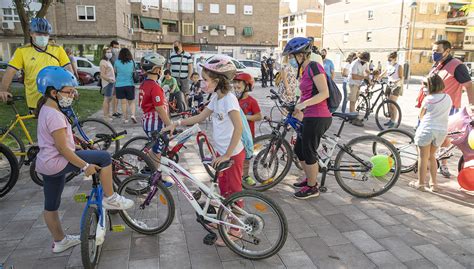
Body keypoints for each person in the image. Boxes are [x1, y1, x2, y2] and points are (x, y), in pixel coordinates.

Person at [34, 66, 133, 253]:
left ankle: (60, 241)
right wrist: (85, 165)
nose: (72, 95)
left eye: (73, 91)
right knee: (104, 157)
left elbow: (58, 142)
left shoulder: (45, 110)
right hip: (58, 161)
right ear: (53, 92)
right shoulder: (55, 115)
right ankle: (110, 198)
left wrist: (76, 147)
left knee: (51, 205)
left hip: (46, 164)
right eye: (69, 92)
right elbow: (63, 149)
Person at [162, 56, 244, 246]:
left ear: (217, 81)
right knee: (224, 191)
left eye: (205, 79)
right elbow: (200, 117)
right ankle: (227, 220)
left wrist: (227, 155)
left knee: (234, 191)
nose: (202, 82)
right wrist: (176, 123)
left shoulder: (229, 100)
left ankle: (236, 229)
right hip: (222, 153)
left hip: (232, 154)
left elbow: (238, 128)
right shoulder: (217, 97)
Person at [283, 37, 332, 199]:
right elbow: (306, 95)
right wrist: (296, 107)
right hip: (309, 116)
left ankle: (313, 187)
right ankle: (309, 179)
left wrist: (303, 106)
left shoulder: (315, 67)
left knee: (309, 151)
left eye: (292, 56)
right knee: (299, 149)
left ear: (302, 55)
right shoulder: (305, 71)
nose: (290, 59)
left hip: (319, 116)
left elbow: (324, 93)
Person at [0, 18, 73, 109]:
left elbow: (68, 70)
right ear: (31, 33)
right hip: (35, 101)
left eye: (45, 34)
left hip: (58, 98)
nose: (42, 36)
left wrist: (72, 88)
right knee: (41, 123)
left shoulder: (57, 49)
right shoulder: (22, 51)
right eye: (39, 34)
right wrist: (3, 90)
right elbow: (10, 71)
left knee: (60, 123)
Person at [429, 40, 474, 178]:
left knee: (444, 137)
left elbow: (469, 85)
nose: (434, 53)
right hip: (433, 106)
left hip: (447, 107)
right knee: (430, 137)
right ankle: (428, 161)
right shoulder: (438, 64)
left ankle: (443, 164)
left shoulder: (457, 66)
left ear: (447, 51)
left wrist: (472, 105)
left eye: (437, 51)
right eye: (433, 50)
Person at [411, 74, 452, 192]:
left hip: (427, 130)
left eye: (425, 85)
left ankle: (420, 184)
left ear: (431, 86)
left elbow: (421, 115)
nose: (424, 87)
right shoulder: (448, 97)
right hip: (441, 131)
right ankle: (434, 184)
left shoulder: (428, 99)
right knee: (432, 156)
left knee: (423, 157)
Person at [233, 72, 262, 186]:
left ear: (247, 85)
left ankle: (245, 176)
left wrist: (245, 117)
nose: (236, 85)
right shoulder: (233, 99)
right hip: (235, 134)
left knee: (246, 157)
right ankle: (236, 175)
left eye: (239, 82)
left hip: (247, 135)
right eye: (235, 82)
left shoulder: (252, 101)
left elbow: (259, 116)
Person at [379, 51, 404, 128]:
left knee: (392, 104)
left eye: (390, 60)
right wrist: (379, 76)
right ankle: (391, 120)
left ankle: (394, 121)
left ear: (395, 59)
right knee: (389, 104)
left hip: (396, 86)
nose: (389, 61)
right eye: (388, 60)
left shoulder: (399, 66)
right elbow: (385, 72)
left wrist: (395, 81)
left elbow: (401, 77)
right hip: (389, 85)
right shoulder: (389, 65)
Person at [114, 48, 137, 124]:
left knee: (123, 103)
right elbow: (134, 71)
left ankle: (125, 119)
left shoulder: (116, 62)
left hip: (119, 85)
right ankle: (133, 115)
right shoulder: (132, 62)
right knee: (132, 102)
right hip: (129, 84)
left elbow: (115, 72)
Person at [348, 51, 371, 127]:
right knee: (352, 101)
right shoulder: (355, 63)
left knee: (355, 101)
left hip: (358, 84)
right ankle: (352, 119)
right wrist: (364, 77)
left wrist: (369, 75)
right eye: (364, 60)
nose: (365, 62)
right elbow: (354, 76)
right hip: (352, 83)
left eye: (366, 61)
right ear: (361, 58)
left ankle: (353, 116)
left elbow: (367, 71)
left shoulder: (365, 63)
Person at [168, 41, 192, 107]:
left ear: (180, 45)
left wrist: (188, 77)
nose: (175, 47)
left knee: (185, 94)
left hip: (184, 78)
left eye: (176, 46)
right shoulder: (172, 54)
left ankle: (185, 108)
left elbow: (190, 66)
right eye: (174, 46)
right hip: (174, 78)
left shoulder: (187, 54)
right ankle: (175, 108)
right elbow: (168, 65)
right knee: (173, 93)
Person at [100, 47, 115, 122]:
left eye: (110, 52)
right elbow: (102, 75)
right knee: (106, 99)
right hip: (107, 83)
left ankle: (108, 114)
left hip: (111, 83)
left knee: (109, 99)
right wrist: (109, 80)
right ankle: (105, 116)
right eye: (107, 52)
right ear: (104, 53)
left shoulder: (108, 61)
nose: (109, 53)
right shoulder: (103, 62)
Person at [109, 40, 121, 118]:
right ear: (113, 45)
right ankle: (114, 111)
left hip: (116, 75)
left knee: (116, 95)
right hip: (113, 75)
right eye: (116, 46)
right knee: (114, 95)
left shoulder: (114, 52)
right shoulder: (111, 52)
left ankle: (115, 111)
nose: (117, 48)